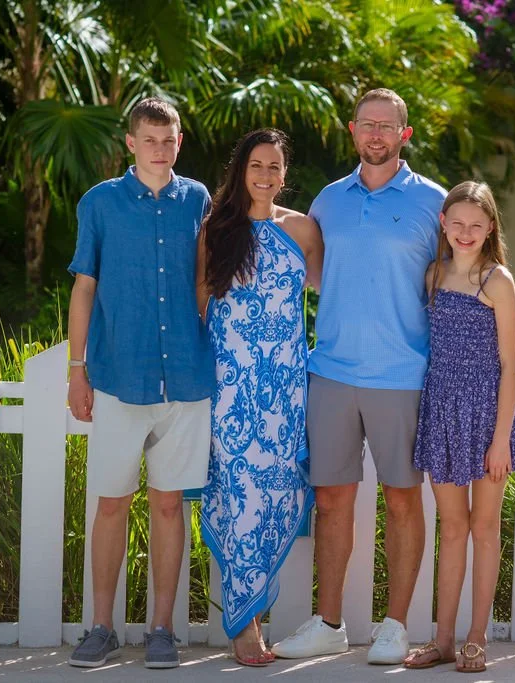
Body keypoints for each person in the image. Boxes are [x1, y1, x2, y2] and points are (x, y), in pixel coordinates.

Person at [271, 88, 446, 665]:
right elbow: (311, 274)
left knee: (402, 499)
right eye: (366, 124)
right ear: (352, 131)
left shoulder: (434, 203)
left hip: (403, 374)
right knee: (331, 501)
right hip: (333, 371)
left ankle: (395, 626)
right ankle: (328, 624)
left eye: (386, 126)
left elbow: (462, 276)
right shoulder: (327, 201)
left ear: (405, 134)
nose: (375, 134)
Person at [66, 96, 214, 669]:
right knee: (110, 505)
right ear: (131, 142)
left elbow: (206, 277)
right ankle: (100, 626)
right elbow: (84, 288)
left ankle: (160, 629)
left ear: (180, 142)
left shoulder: (198, 199)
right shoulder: (99, 203)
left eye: (169, 139)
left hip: (185, 375)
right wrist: (77, 370)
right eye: (149, 139)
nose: (159, 149)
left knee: (170, 506)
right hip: (118, 375)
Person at [197, 128, 323, 667]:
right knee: (235, 495)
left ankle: (252, 612)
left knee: (273, 493)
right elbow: (200, 307)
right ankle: (244, 622)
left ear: (284, 174)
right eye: (256, 165)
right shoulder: (216, 228)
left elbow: (326, 295)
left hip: (286, 388)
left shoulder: (304, 230)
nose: (266, 176)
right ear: (240, 170)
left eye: (274, 167)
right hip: (231, 386)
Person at [402, 181, 515, 674]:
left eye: (476, 225)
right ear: (443, 223)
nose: (465, 232)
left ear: (490, 227)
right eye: (456, 223)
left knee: (483, 527)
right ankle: (443, 639)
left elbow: (510, 364)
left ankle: (478, 636)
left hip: (487, 417)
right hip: (443, 411)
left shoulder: (496, 280)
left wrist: (500, 440)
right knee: (451, 528)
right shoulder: (434, 276)